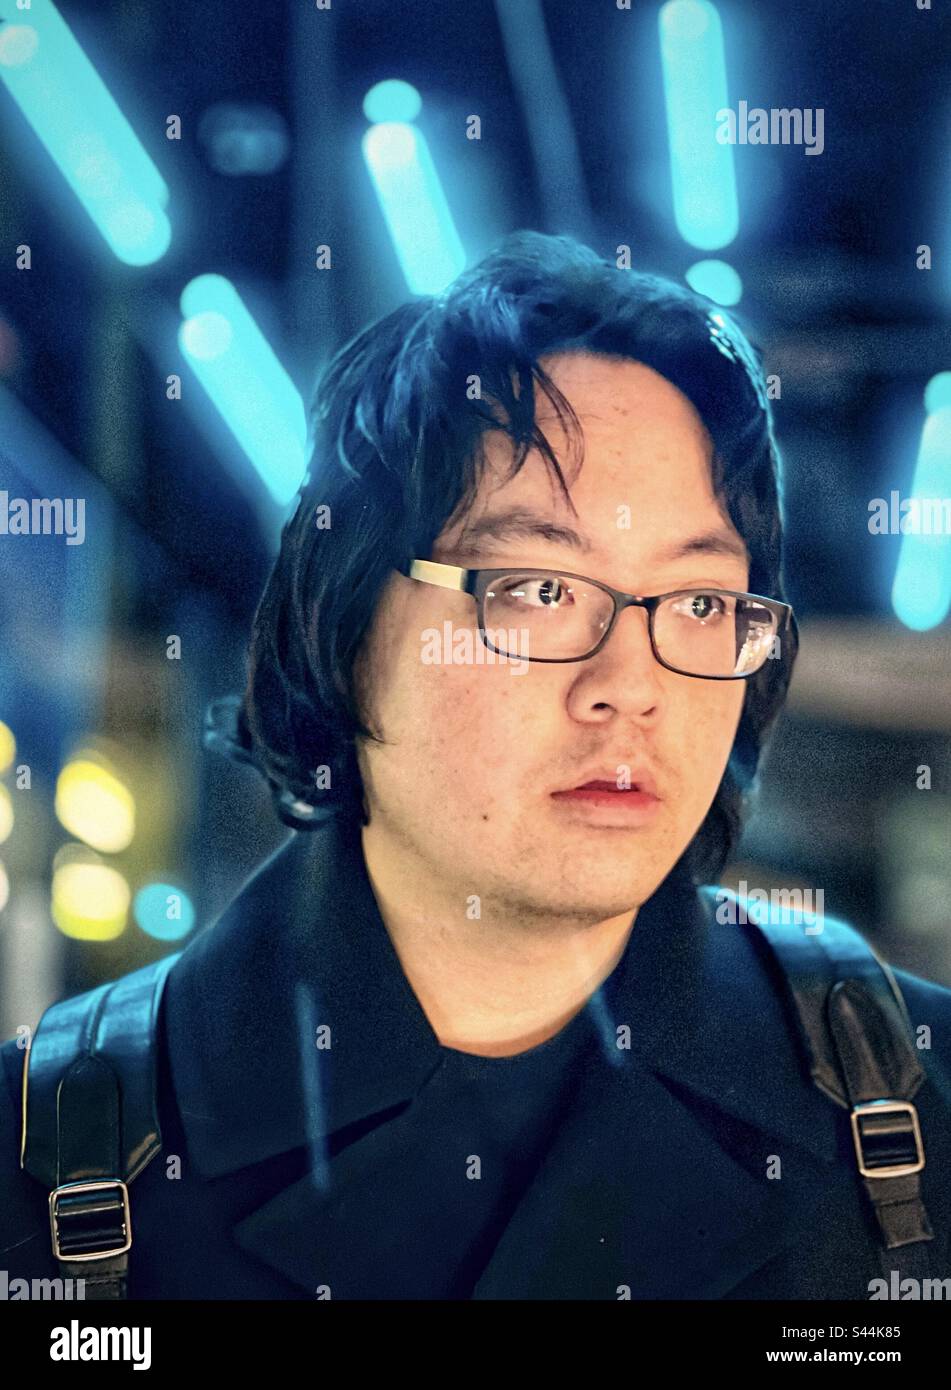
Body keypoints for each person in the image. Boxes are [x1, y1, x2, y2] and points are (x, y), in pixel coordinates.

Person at [2, 232, 949, 1300]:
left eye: (697, 602)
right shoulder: (46, 1161)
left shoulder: (916, 1102)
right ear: (346, 623)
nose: (628, 685)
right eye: (539, 588)